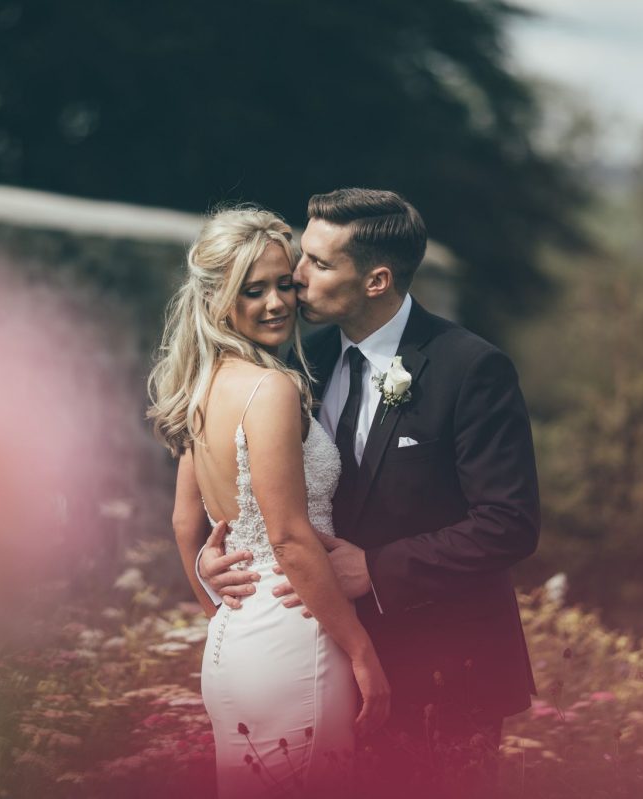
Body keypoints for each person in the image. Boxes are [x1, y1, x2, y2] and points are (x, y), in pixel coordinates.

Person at [197, 188, 541, 787]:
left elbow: (509, 523)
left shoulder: (471, 369)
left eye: (318, 265)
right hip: (325, 661)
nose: (295, 278)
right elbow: (266, 490)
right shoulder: (302, 363)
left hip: (443, 669)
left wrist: (378, 570)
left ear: (377, 280)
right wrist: (217, 557)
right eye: (301, 256)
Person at [148, 206, 390, 799]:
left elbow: (186, 523)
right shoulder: (272, 387)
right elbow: (287, 534)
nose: (277, 303)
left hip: (234, 644)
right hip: (295, 640)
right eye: (252, 291)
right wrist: (362, 652)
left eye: (285, 284)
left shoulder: (203, 385)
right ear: (217, 299)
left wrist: (215, 605)